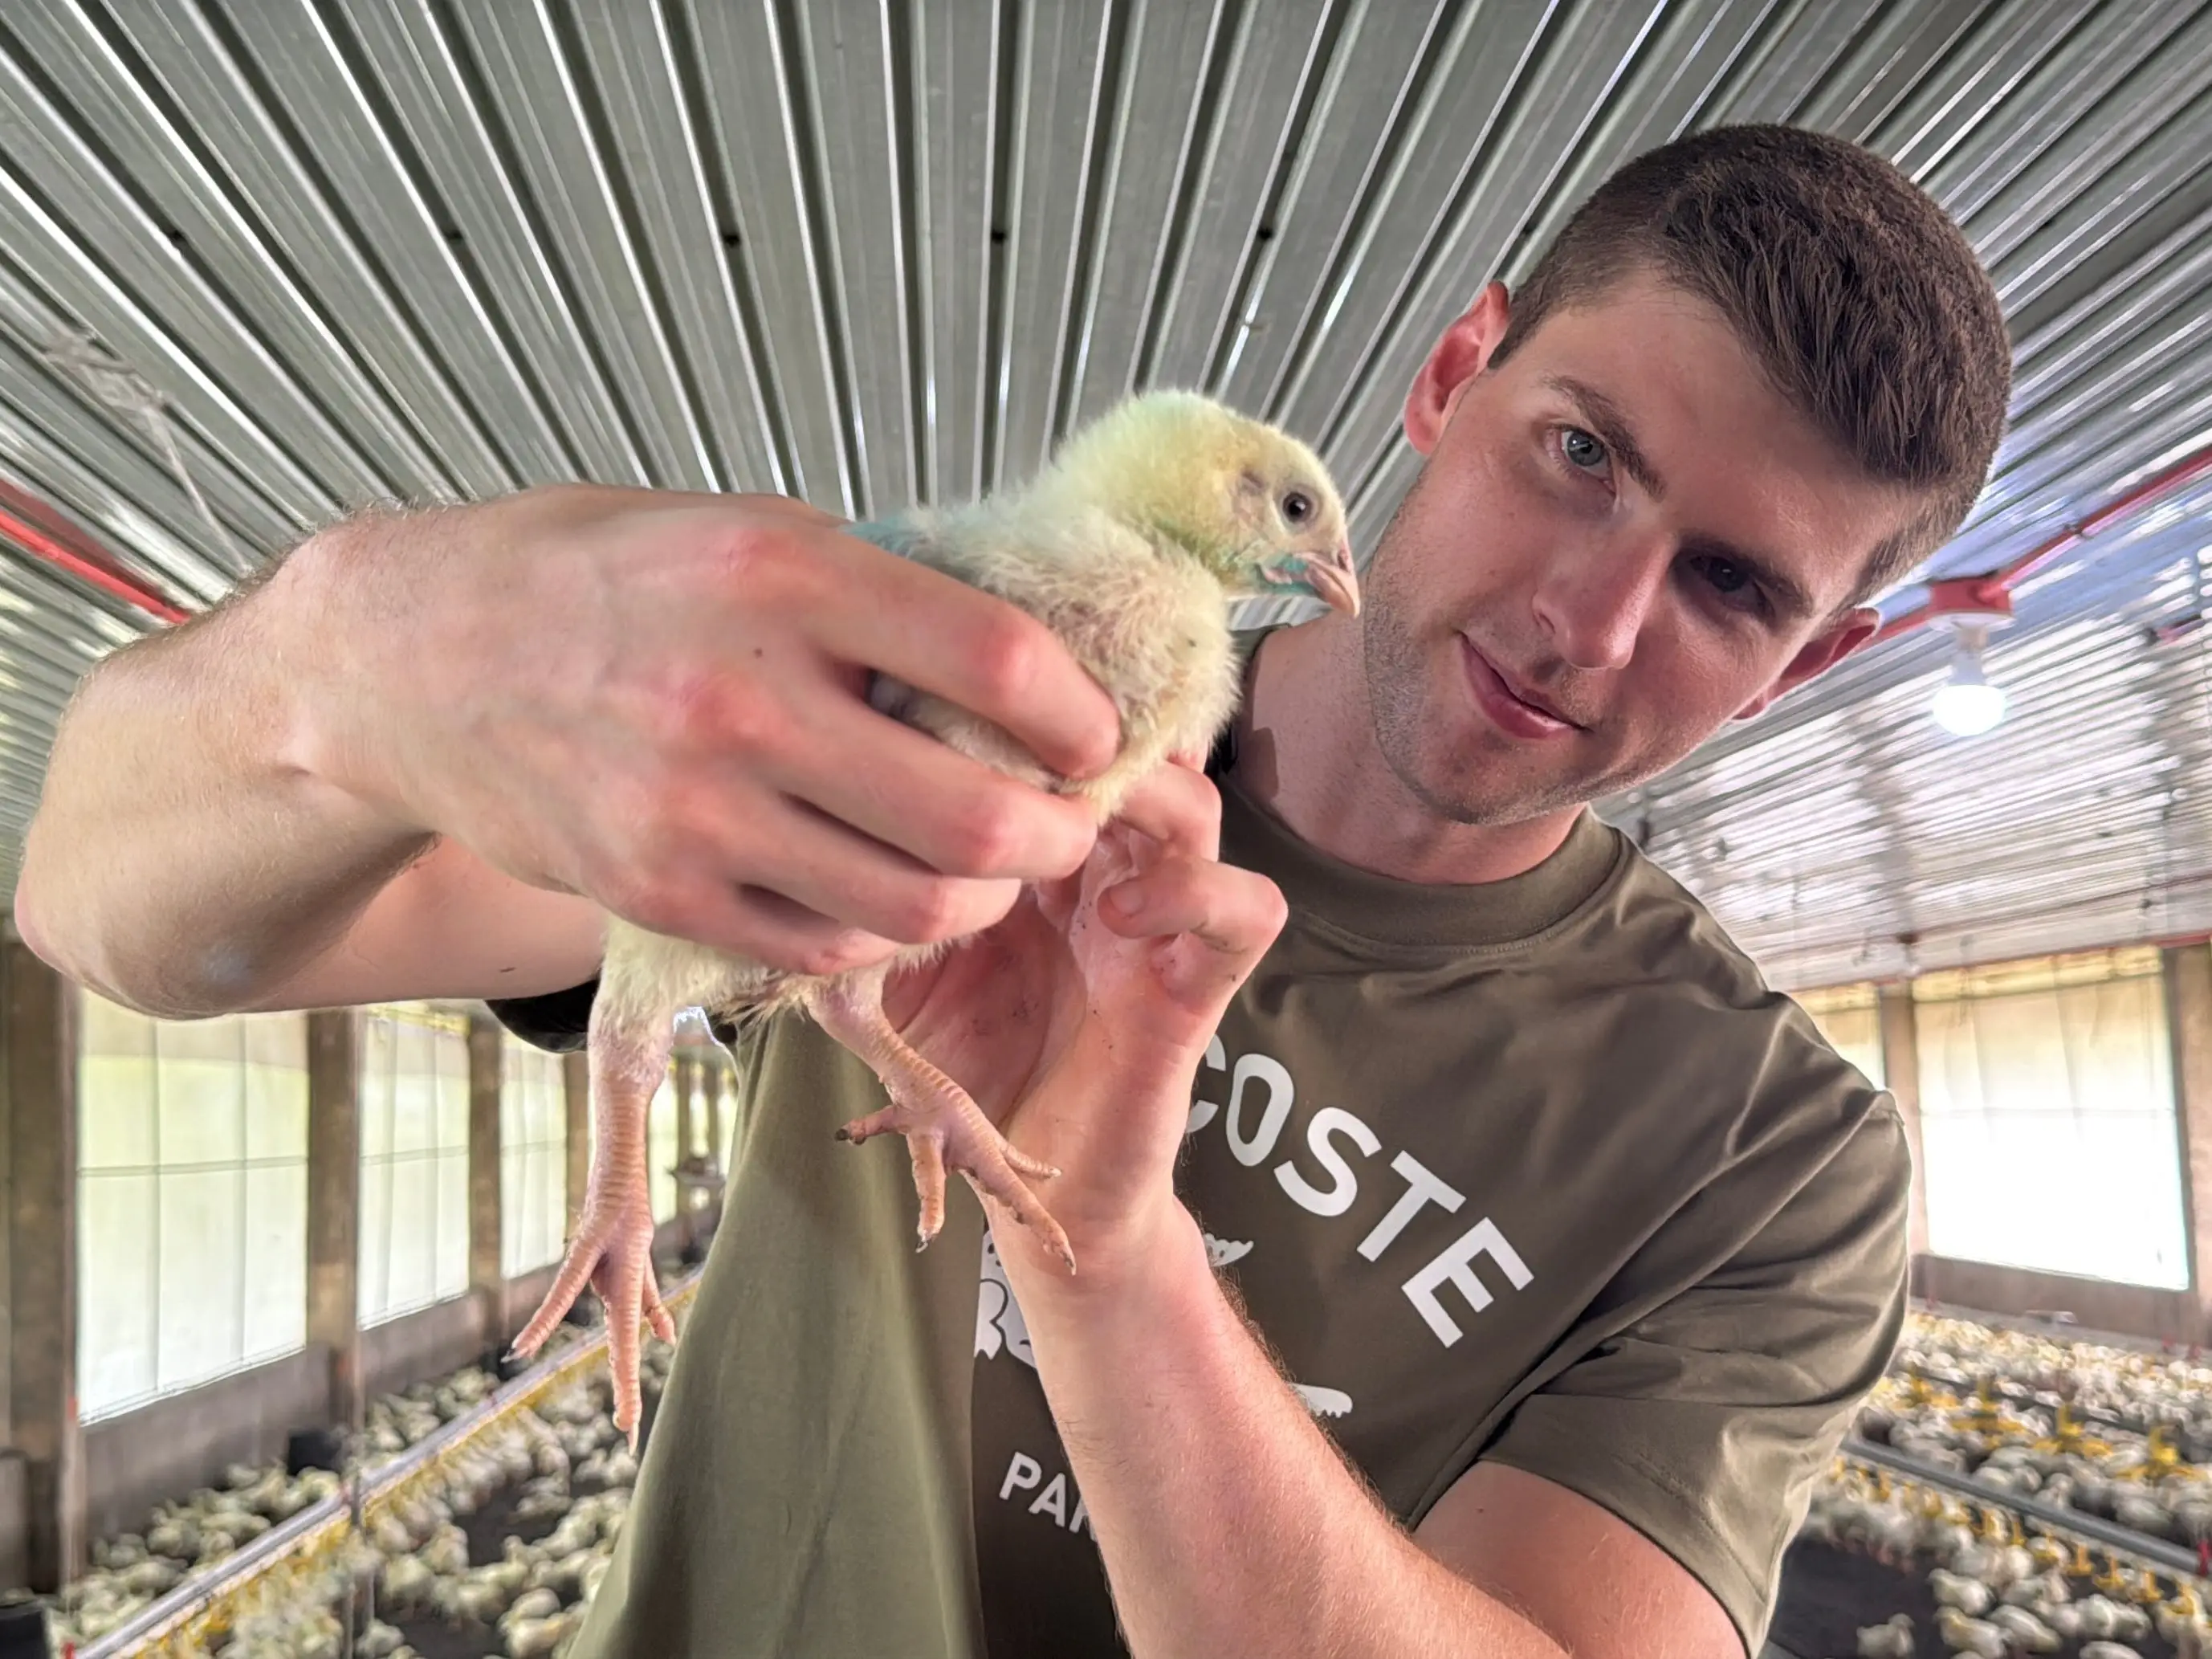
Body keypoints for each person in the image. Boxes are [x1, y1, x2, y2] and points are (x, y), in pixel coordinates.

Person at [14, 123, 2011, 1657]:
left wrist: (1105, 1235)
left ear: (1812, 659)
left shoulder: (1773, 1158)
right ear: (1454, 373)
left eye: (1736, 585)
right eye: (1579, 451)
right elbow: (108, 907)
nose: (1593, 614)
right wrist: (345, 652)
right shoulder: (902, 707)